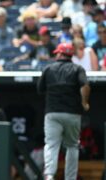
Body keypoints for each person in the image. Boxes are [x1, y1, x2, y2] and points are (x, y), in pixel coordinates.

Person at [37, 43, 90, 180]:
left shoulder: (48, 68)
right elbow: (85, 86)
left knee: (51, 145)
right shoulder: (77, 69)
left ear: (60, 54)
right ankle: (70, 178)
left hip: (53, 113)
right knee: (72, 146)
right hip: (72, 113)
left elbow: (40, 89)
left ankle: (49, 175)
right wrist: (84, 102)